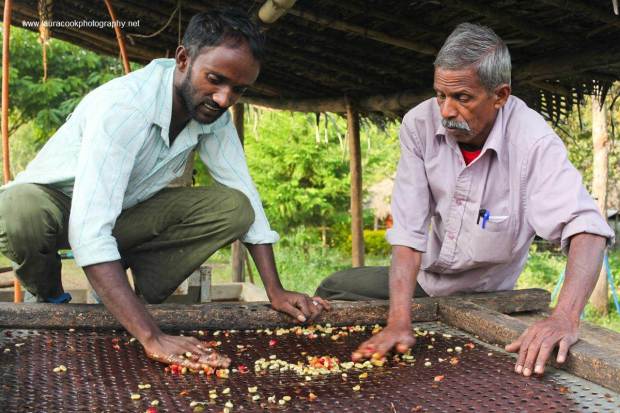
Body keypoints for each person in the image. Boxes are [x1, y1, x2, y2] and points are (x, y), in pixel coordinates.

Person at [0, 8, 329, 370]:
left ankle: (127, 290)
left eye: (238, 89)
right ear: (183, 59)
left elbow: (244, 189)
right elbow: (88, 230)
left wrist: (275, 290)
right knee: (18, 206)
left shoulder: (212, 115)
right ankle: (49, 300)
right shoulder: (125, 108)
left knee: (235, 207)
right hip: (58, 211)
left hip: (123, 216)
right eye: (215, 79)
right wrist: (152, 338)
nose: (223, 99)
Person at [316, 23, 613, 377]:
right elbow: (409, 232)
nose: (446, 111)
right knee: (333, 289)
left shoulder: (532, 141)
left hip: (489, 295)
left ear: (500, 95)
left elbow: (587, 230)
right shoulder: (419, 125)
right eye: (441, 95)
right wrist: (399, 321)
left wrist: (564, 318)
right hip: (426, 283)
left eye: (462, 98)